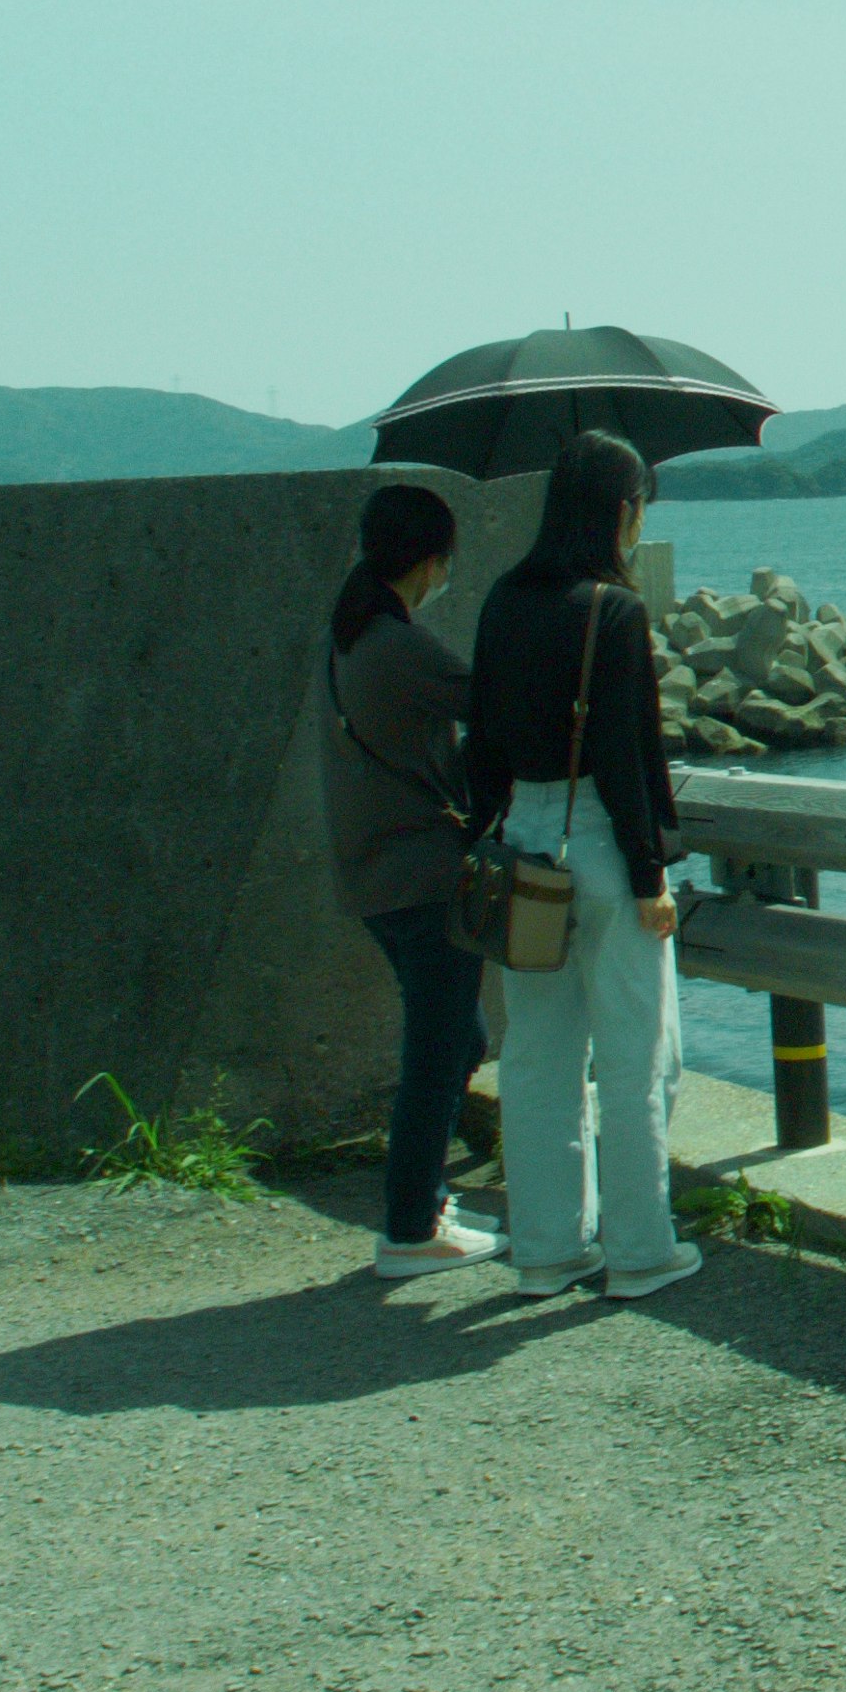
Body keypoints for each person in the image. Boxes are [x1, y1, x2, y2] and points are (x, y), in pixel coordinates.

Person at [465, 430, 695, 1300]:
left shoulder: (502, 601)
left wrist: (482, 840)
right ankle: (641, 1251)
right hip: (601, 843)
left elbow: (480, 743)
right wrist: (651, 878)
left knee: (537, 1058)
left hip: (524, 842)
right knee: (638, 1057)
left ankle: (549, 1248)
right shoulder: (613, 610)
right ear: (621, 509)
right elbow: (628, 759)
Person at [323, 482, 503, 1277]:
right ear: (431, 561)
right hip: (421, 876)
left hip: (375, 875)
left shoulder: (351, 635)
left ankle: (420, 1202)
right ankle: (409, 1226)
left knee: (457, 1037)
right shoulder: (399, 644)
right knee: (437, 1051)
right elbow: (494, 704)